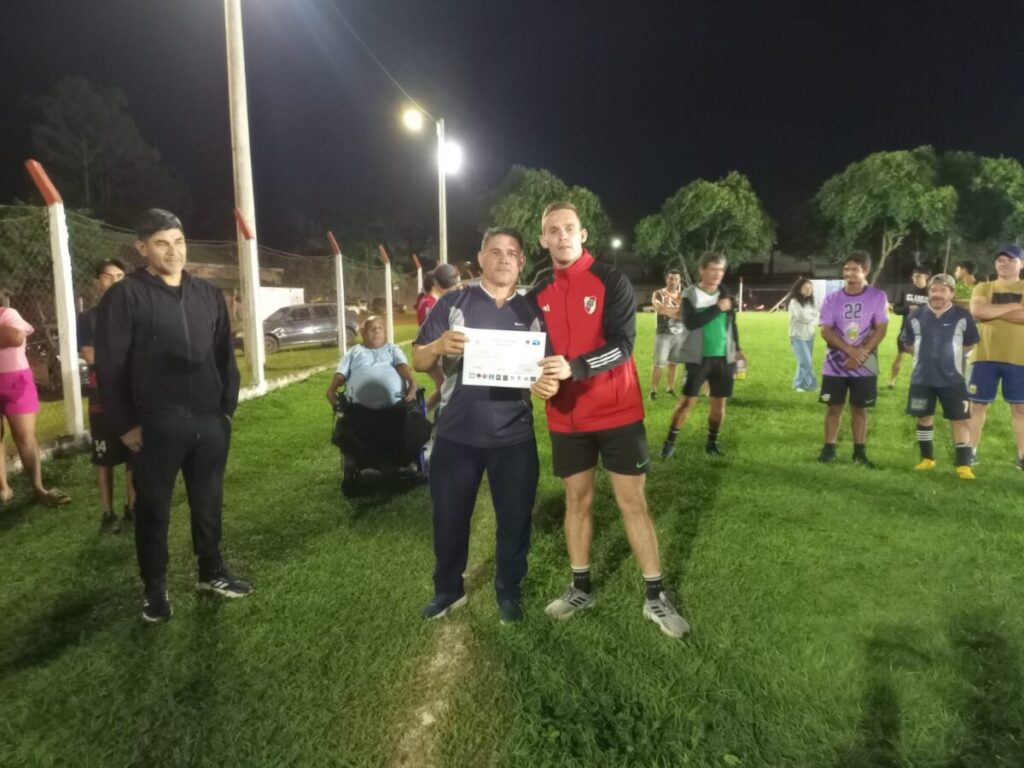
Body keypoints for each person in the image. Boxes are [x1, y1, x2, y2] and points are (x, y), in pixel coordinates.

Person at [531, 201, 689, 639]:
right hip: (566, 417)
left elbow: (622, 344)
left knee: (632, 503)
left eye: (569, 228)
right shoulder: (538, 291)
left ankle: (655, 595)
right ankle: (580, 586)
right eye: (553, 230)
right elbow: (526, 348)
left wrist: (573, 368)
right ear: (543, 239)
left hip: (617, 412)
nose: (562, 236)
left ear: (583, 235)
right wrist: (534, 378)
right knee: (576, 501)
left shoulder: (610, 280)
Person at [96, 208, 249, 624]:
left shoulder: (208, 294)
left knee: (208, 500)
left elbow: (225, 357)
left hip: (208, 421)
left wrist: (226, 410)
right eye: (162, 243)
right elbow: (109, 368)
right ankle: (155, 588)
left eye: (179, 242)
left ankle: (211, 571)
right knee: (154, 508)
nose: (173, 251)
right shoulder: (125, 296)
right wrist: (126, 424)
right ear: (142, 247)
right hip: (156, 424)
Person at [413, 227, 557, 624]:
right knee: (448, 517)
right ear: (481, 258)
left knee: (514, 520)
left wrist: (548, 383)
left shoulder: (533, 312)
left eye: (512, 252)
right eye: (496, 251)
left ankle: (508, 590)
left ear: (522, 262)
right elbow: (419, 361)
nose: (504, 258)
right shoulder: (454, 303)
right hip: (456, 433)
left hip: (513, 436)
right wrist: (438, 347)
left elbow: (547, 370)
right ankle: (447, 589)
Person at [660, 252, 744, 459]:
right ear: (702, 270)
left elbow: (731, 323)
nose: (718, 274)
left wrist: (739, 350)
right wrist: (717, 308)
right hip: (698, 358)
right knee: (687, 401)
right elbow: (691, 323)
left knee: (719, 403)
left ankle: (712, 443)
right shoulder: (690, 294)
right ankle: (670, 442)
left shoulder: (725, 292)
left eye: (721, 269)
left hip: (724, 358)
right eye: (713, 269)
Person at [326, 315, 429, 476]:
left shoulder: (392, 349)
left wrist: (412, 383)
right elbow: (340, 375)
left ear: (385, 332)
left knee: (417, 423)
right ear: (362, 332)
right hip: (361, 412)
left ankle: (398, 462)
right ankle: (377, 463)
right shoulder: (353, 353)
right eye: (371, 328)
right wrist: (331, 389)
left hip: (395, 408)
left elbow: (402, 366)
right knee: (342, 430)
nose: (376, 331)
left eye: (379, 328)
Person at [898, 274, 979, 479]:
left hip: (953, 379)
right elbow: (907, 343)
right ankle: (927, 458)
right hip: (922, 379)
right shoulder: (915, 316)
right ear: (929, 292)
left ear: (951, 293)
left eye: (943, 290)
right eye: (934, 290)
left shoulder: (962, 316)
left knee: (959, 419)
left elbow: (970, 342)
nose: (937, 294)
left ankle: (963, 465)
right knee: (924, 417)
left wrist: (950, 356)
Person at [817, 250, 889, 467]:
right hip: (835, 364)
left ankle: (859, 452)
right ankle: (829, 449)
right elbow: (826, 331)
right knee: (834, 408)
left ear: (865, 271)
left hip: (865, 365)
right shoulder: (831, 299)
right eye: (846, 269)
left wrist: (861, 354)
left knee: (860, 408)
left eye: (855, 269)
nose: (849, 273)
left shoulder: (878, 296)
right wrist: (851, 351)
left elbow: (881, 328)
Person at [78, 259, 135, 533]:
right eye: (108, 276)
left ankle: (133, 509)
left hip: (135, 395)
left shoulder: (136, 314)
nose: (115, 281)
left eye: (120, 276)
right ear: (97, 282)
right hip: (103, 396)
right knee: (105, 457)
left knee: (136, 453)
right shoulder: (89, 318)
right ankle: (107, 513)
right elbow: (91, 356)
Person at [0, 308, 70, 507]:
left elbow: (15, 337)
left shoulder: (8, 313)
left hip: (17, 384)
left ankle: (38, 488)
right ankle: (3, 488)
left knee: (24, 437)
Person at [966, 244, 1024, 468]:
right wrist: (1015, 307)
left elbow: (989, 312)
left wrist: (994, 311)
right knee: (977, 406)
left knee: (1020, 409)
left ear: (1021, 263)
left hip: (1019, 357)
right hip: (985, 356)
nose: (1003, 263)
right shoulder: (983, 287)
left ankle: (1022, 456)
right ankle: (970, 451)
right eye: (1000, 259)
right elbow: (978, 312)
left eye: (1010, 260)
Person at [417, 263, 462, 411]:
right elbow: (431, 331)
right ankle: (423, 414)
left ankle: (426, 413)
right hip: (431, 349)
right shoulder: (432, 303)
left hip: (433, 348)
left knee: (444, 386)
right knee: (444, 386)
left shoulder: (433, 301)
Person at [887, 266, 930, 388]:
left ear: (926, 277)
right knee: (900, 356)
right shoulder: (906, 290)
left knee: (923, 360)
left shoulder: (931, 292)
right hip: (906, 331)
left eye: (918, 276)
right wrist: (908, 309)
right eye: (914, 276)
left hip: (924, 333)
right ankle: (892, 381)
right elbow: (896, 309)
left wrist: (921, 309)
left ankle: (922, 383)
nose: (915, 278)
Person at [649, 268, 683, 401]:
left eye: (676, 279)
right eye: (671, 278)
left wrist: (670, 311)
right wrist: (678, 312)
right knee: (659, 363)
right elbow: (661, 309)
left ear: (679, 281)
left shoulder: (683, 295)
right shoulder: (658, 294)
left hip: (680, 334)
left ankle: (670, 389)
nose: (673, 281)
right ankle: (653, 391)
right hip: (663, 334)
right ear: (666, 279)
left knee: (674, 363)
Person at [788, 277, 819, 392]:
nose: (808, 290)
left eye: (810, 288)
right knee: (806, 363)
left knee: (803, 362)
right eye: (805, 288)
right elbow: (802, 317)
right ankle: (812, 386)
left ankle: (798, 385)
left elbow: (817, 317)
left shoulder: (812, 302)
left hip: (810, 336)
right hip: (797, 336)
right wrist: (812, 318)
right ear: (799, 289)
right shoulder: (794, 302)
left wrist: (812, 318)